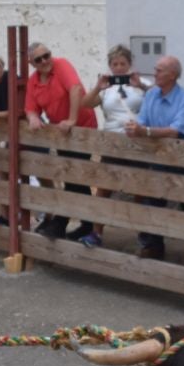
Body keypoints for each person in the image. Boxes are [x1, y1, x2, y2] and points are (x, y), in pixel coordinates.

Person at [129, 56, 184, 262]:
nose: (155, 73)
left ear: (172, 75)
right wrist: (135, 128)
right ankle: (154, 245)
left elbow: (175, 131)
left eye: (160, 70)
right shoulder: (151, 94)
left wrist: (145, 131)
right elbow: (142, 121)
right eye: (156, 69)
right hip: (159, 156)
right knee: (153, 199)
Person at [74, 45, 147, 248]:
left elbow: (156, 98)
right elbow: (86, 103)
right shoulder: (106, 89)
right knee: (104, 188)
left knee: (139, 190)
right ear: (110, 66)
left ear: (129, 64)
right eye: (115, 64)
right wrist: (99, 86)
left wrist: (141, 85)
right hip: (112, 143)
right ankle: (96, 233)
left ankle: (145, 235)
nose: (119, 68)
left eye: (123, 63)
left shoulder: (140, 84)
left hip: (136, 141)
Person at [22, 41, 97, 240]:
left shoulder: (61, 64)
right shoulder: (34, 80)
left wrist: (72, 119)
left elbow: (75, 89)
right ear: (32, 63)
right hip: (62, 135)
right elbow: (30, 107)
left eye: (47, 55)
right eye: (39, 59)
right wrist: (33, 117)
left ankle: (61, 223)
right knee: (74, 178)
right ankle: (87, 224)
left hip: (81, 128)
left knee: (74, 176)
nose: (45, 61)